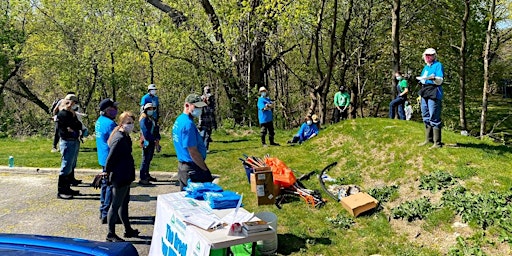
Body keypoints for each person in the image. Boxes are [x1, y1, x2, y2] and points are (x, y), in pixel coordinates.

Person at [105, 111, 139, 242]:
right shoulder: (119, 138)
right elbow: (110, 158)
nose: (131, 125)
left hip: (126, 174)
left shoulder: (124, 135)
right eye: (128, 123)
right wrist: (106, 172)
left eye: (132, 122)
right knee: (115, 205)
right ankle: (110, 234)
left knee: (124, 204)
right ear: (121, 123)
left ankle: (128, 229)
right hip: (120, 176)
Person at [172, 94, 214, 190]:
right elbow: (193, 151)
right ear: (187, 105)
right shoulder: (188, 124)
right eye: (196, 107)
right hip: (192, 168)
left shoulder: (179, 120)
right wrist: (205, 170)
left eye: (200, 107)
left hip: (183, 166)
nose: (199, 110)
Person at [95, 98, 119, 224]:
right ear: (107, 110)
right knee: (110, 186)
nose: (116, 110)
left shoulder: (99, 121)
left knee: (105, 185)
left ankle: (102, 210)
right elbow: (116, 142)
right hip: (110, 158)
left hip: (103, 157)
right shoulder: (110, 125)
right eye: (113, 108)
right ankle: (106, 213)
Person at [56, 96, 83, 199]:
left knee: (71, 165)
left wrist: (74, 128)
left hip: (74, 140)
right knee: (66, 165)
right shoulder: (62, 114)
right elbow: (69, 127)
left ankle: (67, 188)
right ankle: (61, 190)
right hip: (67, 141)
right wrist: (73, 128)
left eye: (71, 103)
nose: (70, 105)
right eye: (67, 103)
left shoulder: (72, 114)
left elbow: (78, 125)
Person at [417, 48, 444, 148]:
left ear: (434, 56)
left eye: (430, 55)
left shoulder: (438, 65)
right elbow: (423, 79)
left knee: (434, 116)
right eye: (426, 55)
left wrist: (433, 78)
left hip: (434, 92)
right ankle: (428, 139)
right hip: (425, 91)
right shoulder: (426, 67)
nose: (428, 57)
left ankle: (437, 143)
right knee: (425, 115)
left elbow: (440, 80)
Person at [139, 103, 161, 185]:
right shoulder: (143, 119)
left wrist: (157, 138)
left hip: (152, 141)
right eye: (149, 109)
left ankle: (147, 175)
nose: (151, 110)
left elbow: (156, 129)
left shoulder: (152, 118)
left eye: (152, 109)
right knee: (145, 159)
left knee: (149, 159)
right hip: (147, 141)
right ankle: (142, 177)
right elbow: (145, 132)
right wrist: (152, 139)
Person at [198, 86, 217, 152]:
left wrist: (214, 123)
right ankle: (200, 148)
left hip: (210, 120)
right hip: (203, 121)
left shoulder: (211, 101)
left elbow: (213, 111)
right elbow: (199, 111)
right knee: (202, 135)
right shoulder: (201, 99)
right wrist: (200, 122)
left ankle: (206, 148)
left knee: (208, 135)